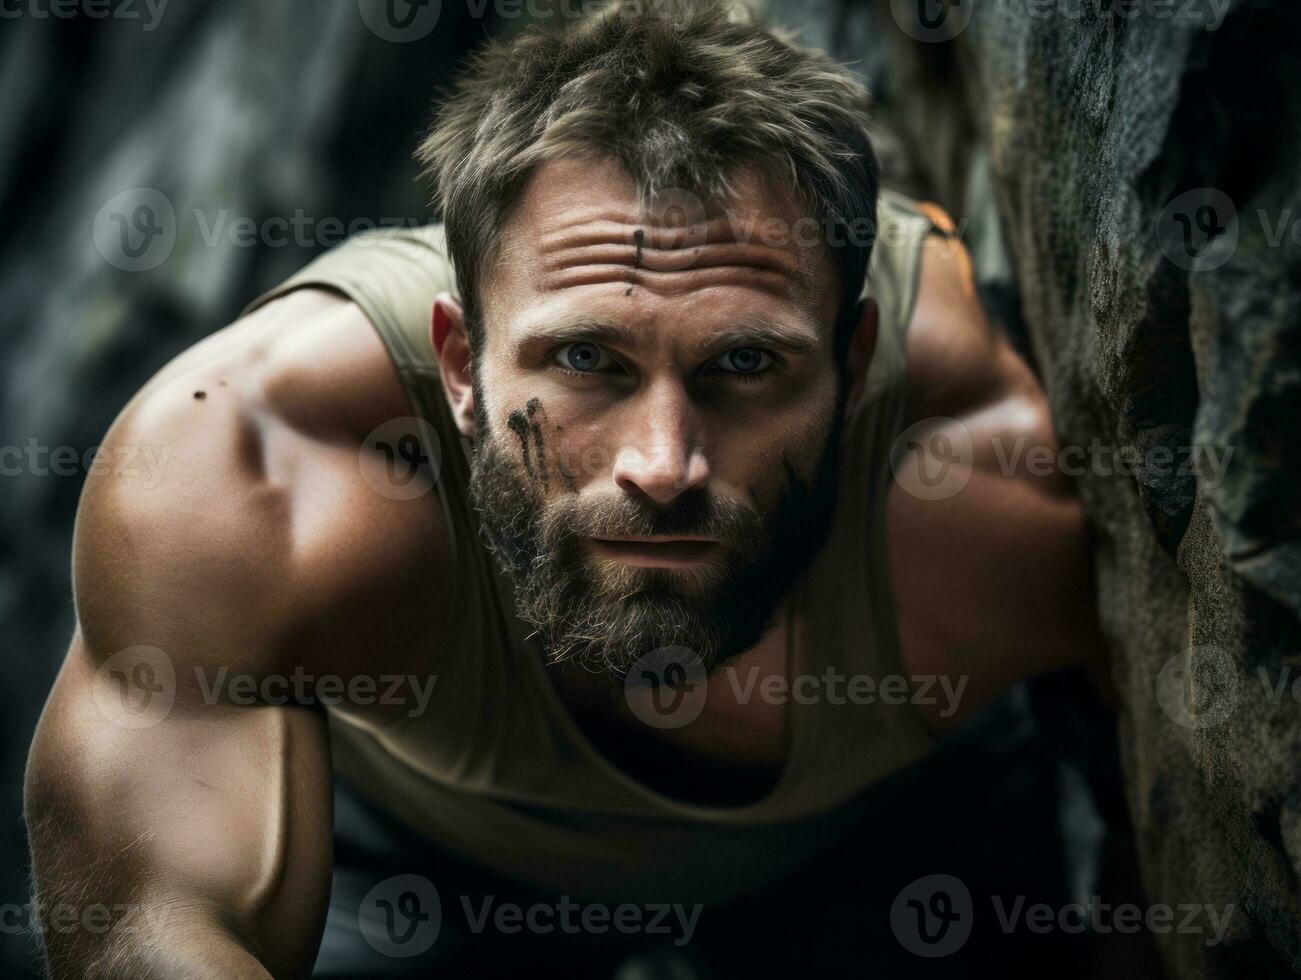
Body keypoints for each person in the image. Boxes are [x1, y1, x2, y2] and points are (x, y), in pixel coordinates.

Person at [24, 1, 1109, 976]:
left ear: (855, 361)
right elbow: (149, 922)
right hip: (407, 863)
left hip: (869, 856)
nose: (662, 464)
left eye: (743, 365)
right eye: (588, 361)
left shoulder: (990, 497)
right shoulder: (265, 459)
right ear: (459, 363)